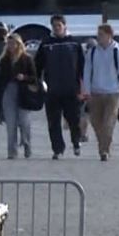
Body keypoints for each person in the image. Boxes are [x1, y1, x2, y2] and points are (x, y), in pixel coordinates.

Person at [34, 14, 85, 159]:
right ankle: (57, 149)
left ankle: (76, 142)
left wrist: (83, 87)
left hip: (71, 89)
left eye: (59, 25)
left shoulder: (74, 43)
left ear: (64, 26)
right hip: (52, 90)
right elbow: (38, 66)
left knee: (74, 119)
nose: (57, 28)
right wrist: (37, 83)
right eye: (54, 26)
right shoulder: (46, 44)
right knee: (53, 121)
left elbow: (82, 67)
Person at [81, 23, 119, 162]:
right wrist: (86, 92)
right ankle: (102, 145)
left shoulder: (117, 53)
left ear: (109, 35)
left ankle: (105, 151)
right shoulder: (92, 53)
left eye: (101, 35)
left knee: (108, 123)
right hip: (95, 93)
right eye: (98, 35)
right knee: (96, 123)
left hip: (113, 94)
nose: (98, 37)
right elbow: (87, 73)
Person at [0, 34, 36, 159]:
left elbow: (34, 78)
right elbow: (0, 81)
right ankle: (12, 151)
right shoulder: (4, 60)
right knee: (10, 123)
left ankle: (27, 144)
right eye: (9, 44)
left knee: (24, 121)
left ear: (19, 44)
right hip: (8, 91)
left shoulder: (27, 59)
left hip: (23, 91)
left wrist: (24, 77)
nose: (11, 46)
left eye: (14, 44)